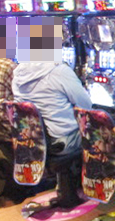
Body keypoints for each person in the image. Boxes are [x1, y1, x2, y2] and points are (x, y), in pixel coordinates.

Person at [12, 61, 92, 210]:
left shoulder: (18, 73)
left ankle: (68, 188)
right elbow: (86, 104)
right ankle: (99, 186)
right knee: (103, 130)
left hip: (34, 142)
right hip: (63, 141)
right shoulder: (59, 71)